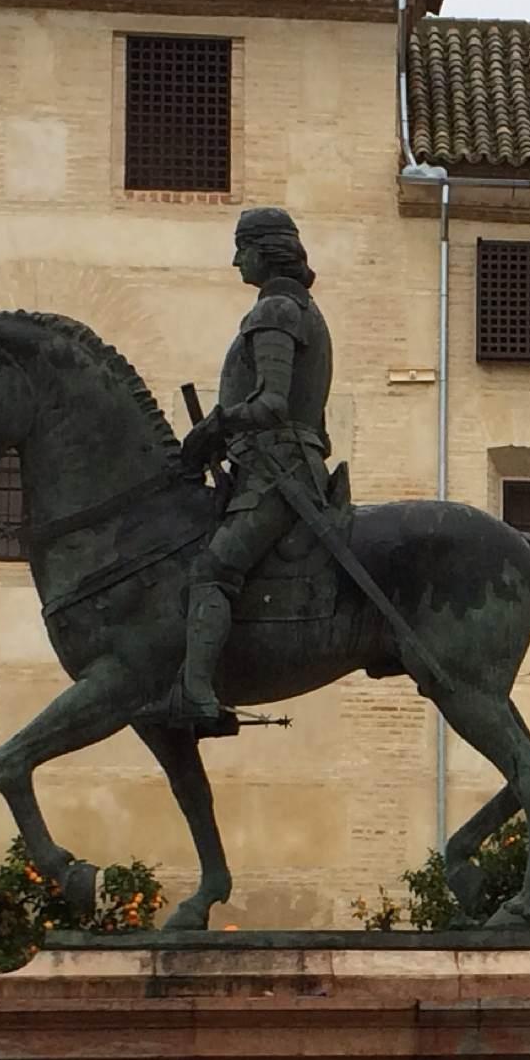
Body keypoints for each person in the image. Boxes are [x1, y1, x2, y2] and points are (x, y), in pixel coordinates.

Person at [175, 207, 337, 733]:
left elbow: (271, 404)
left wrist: (214, 427)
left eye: (242, 247)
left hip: (278, 470)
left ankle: (196, 696)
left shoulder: (275, 312)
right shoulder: (301, 309)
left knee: (213, 571)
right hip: (275, 464)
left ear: (264, 252)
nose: (235, 258)